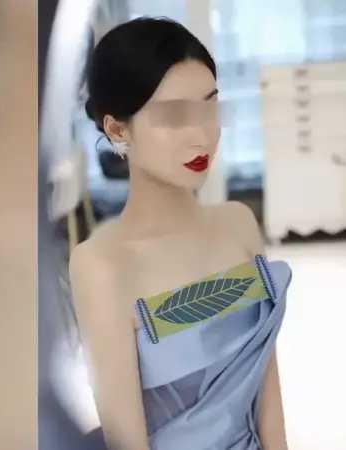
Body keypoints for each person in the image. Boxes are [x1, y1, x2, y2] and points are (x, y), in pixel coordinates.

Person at [68, 16, 292, 450]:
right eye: (174, 117)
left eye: (210, 107)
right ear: (118, 130)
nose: (201, 134)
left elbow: (267, 390)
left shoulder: (238, 223)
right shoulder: (101, 265)